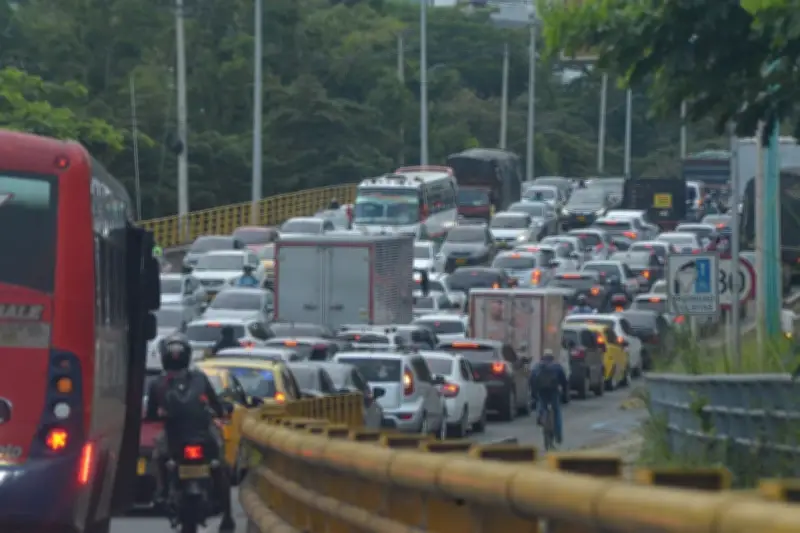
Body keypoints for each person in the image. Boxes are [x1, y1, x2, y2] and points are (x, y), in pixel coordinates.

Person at [144, 333, 235, 532]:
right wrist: (220, 412)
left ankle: (161, 491)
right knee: (220, 464)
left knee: (158, 457)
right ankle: (228, 516)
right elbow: (217, 405)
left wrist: (161, 415)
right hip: (202, 434)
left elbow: (151, 414)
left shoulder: (157, 383)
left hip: (175, 436)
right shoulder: (199, 378)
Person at [529, 349, 568, 446]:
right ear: (552, 358)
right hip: (554, 392)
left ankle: (541, 416)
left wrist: (534, 394)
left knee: (541, 405)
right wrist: (564, 392)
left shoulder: (537, 367)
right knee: (556, 411)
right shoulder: (557, 367)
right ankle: (558, 435)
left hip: (542, 392)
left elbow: (532, 379)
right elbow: (564, 381)